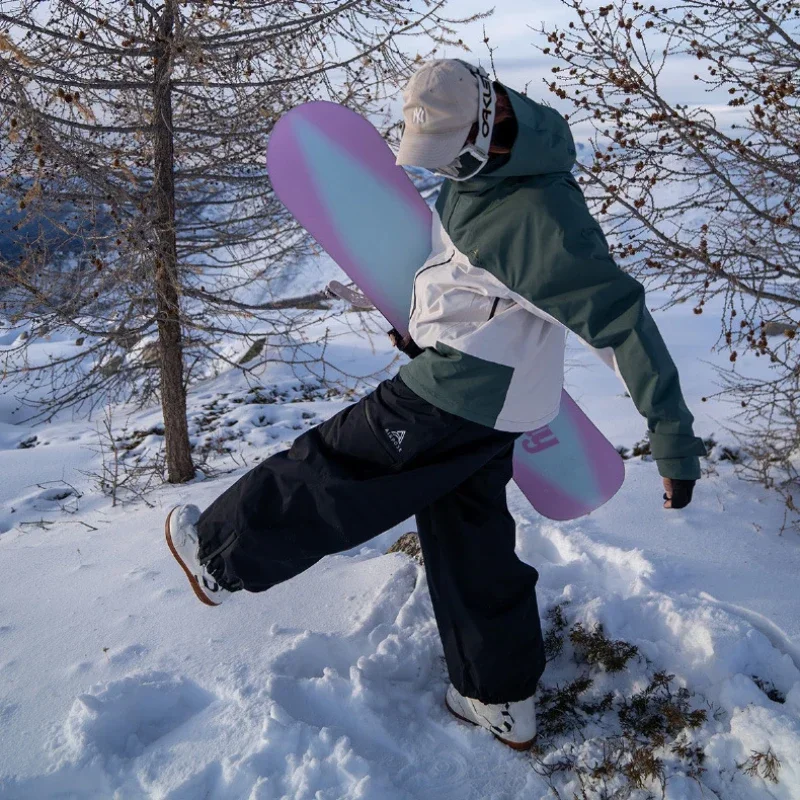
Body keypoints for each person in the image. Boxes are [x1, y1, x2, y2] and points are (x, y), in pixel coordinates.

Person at [165, 59, 706, 751]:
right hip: (494, 392)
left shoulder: (541, 217)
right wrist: (420, 329)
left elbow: (624, 325)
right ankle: (499, 698)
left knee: (337, 464)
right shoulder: (484, 176)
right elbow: (473, 281)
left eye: (449, 156)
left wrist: (674, 443)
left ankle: (219, 555)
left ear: (491, 123)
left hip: (463, 394)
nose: (441, 170)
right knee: (469, 539)